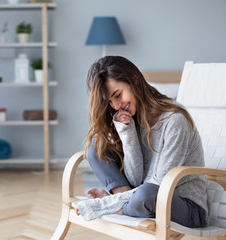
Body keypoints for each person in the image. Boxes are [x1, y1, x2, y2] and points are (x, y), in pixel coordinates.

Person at [75, 56, 207, 228]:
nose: (116, 106)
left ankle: (116, 206)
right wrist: (127, 134)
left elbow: (159, 185)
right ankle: (122, 205)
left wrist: (105, 203)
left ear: (134, 80)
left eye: (118, 95)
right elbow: (135, 180)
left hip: (185, 207)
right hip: (145, 198)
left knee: (147, 193)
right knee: (96, 148)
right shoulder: (133, 119)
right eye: (110, 102)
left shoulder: (175, 121)